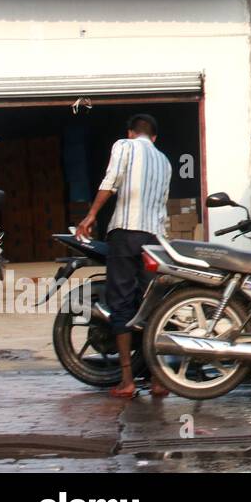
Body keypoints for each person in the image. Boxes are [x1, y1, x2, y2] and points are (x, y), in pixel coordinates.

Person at [76, 114, 172, 398]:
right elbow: (163, 205)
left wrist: (91, 215)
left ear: (131, 133)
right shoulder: (164, 162)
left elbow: (111, 180)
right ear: (154, 137)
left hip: (126, 233)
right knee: (151, 305)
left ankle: (127, 381)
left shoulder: (124, 146)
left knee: (121, 303)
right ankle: (157, 379)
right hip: (154, 238)